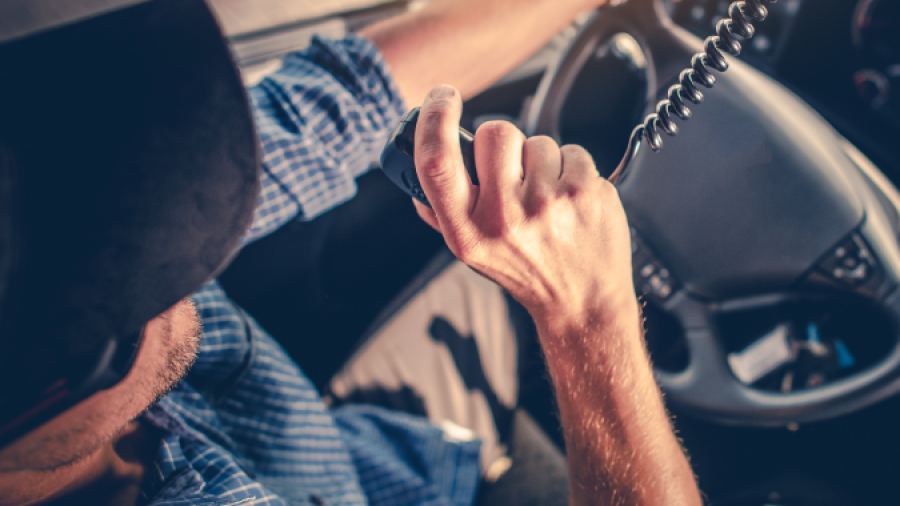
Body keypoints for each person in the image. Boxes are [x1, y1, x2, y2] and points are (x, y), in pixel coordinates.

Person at [0, 0, 701, 505]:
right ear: (51, 390)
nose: (190, 261)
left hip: (399, 459)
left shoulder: (54, 256)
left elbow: (346, 98)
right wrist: (587, 317)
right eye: (145, 278)